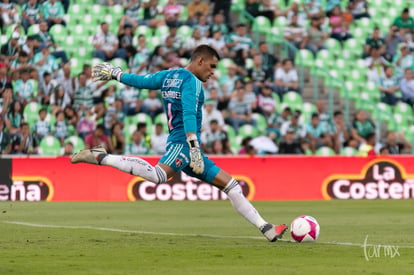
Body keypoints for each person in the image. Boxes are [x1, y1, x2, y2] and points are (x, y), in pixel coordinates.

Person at [71, 44, 287, 242]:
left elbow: (142, 81)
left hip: (191, 147)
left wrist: (117, 74)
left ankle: (267, 228)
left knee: (231, 186)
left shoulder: (169, 75)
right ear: (199, 61)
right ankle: (101, 156)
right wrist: (193, 146)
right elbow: (189, 113)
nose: (212, 72)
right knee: (158, 176)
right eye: (211, 66)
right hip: (183, 144)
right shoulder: (192, 81)